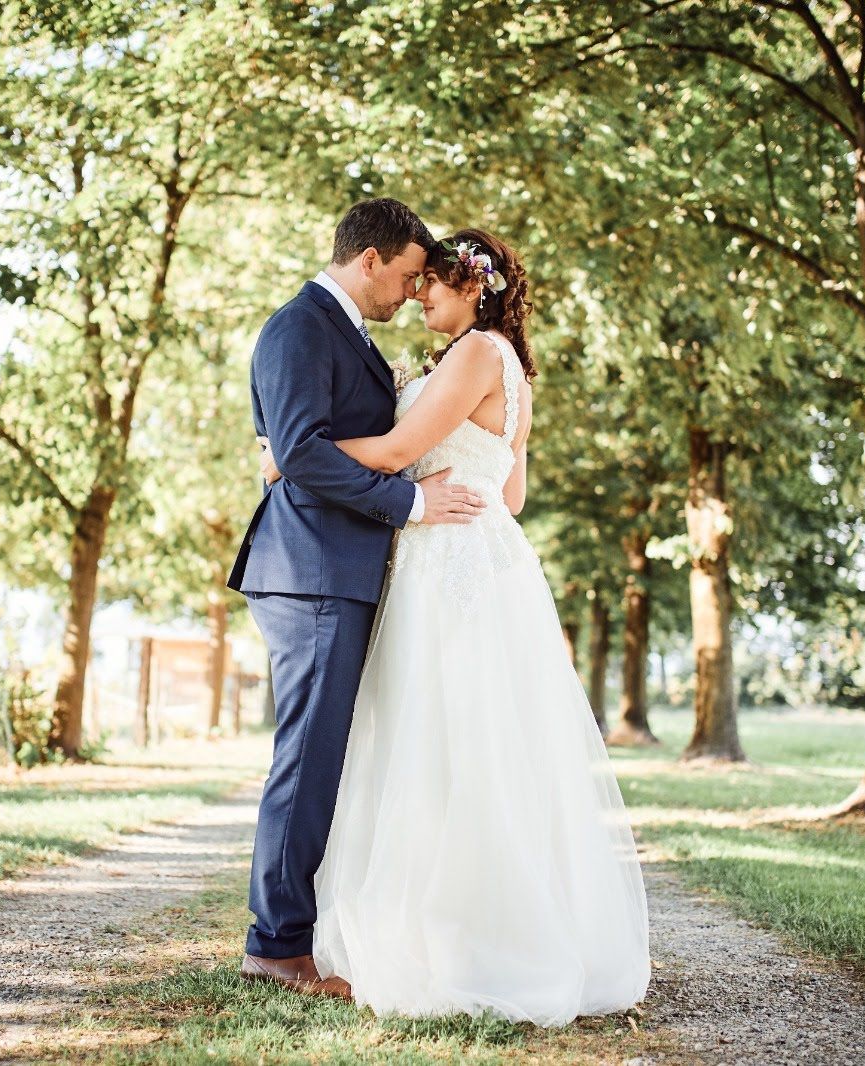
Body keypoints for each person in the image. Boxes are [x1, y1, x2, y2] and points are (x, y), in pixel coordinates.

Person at [260, 228, 651, 1025]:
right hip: (483, 557)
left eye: (429, 285)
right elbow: (510, 497)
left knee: (440, 742)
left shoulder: (475, 355)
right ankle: (469, 928)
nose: (418, 297)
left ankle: (454, 940)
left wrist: (285, 458)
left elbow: (403, 448)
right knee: (473, 744)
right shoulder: (502, 363)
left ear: (472, 289)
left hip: (448, 566)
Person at [226, 198, 488, 997]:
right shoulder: (301, 326)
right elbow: (300, 452)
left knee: (329, 760)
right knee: (306, 763)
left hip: (338, 569)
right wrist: (411, 503)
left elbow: (297, 446)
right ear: (368, 259)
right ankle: (275, 946)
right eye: (409, 275)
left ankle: (301, 934)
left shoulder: (344, 333)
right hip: (309, 571)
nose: (415, 291)